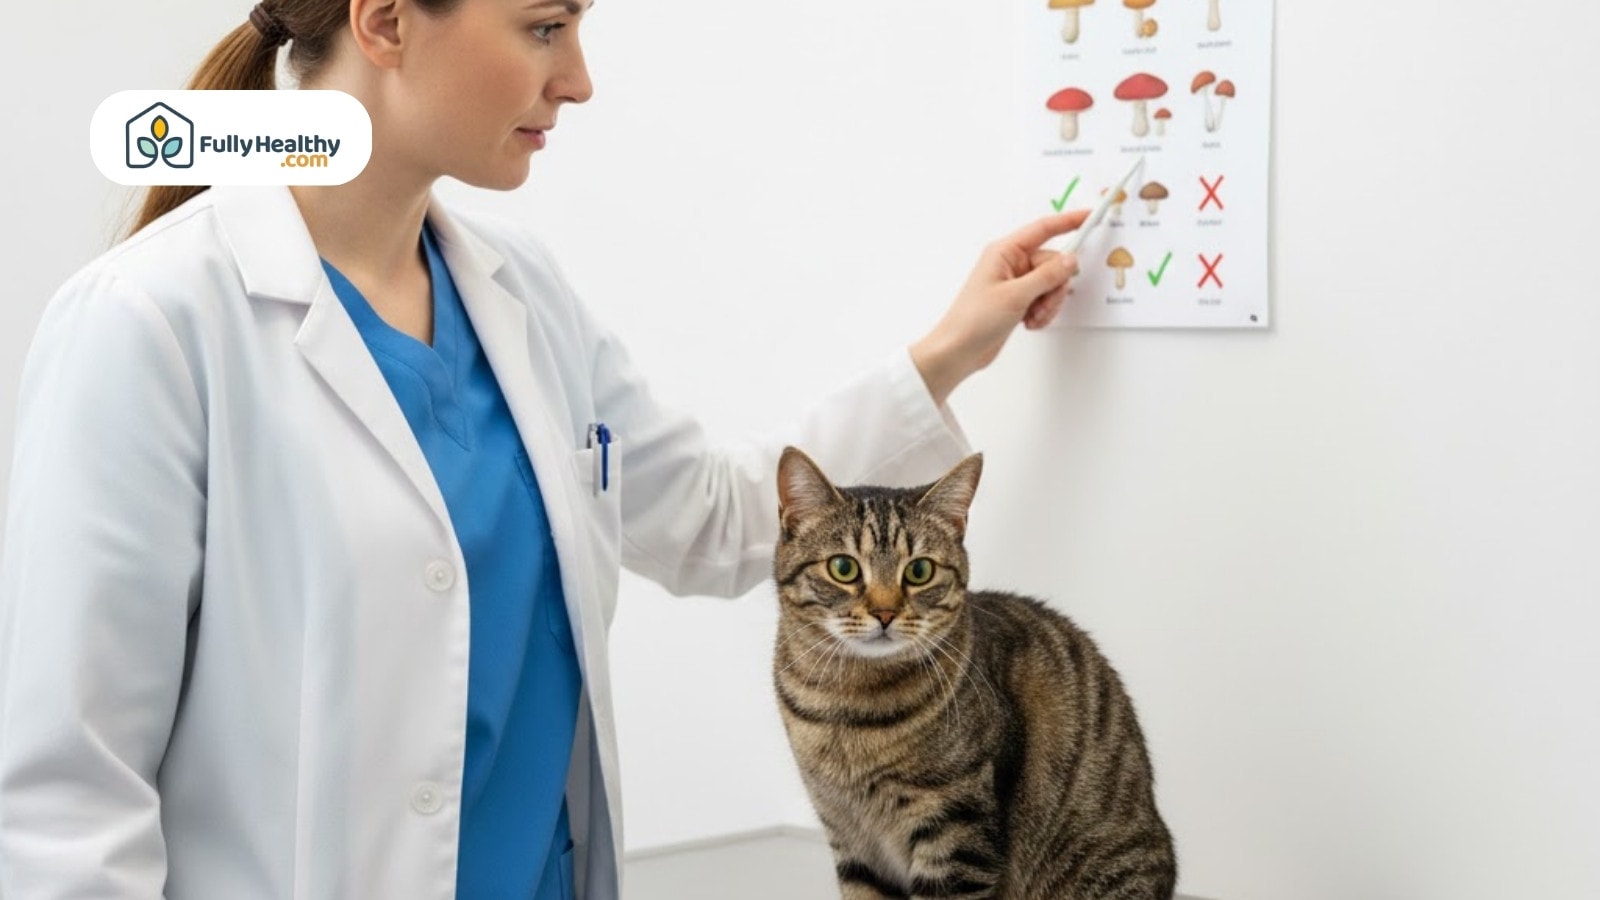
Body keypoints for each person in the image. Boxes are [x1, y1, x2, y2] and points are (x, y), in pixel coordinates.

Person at [0, 0, 1088, 897]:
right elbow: (69, 801)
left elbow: (716, 518)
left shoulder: (521, 297)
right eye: (544, 27)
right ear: (384, 23)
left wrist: (950, 350)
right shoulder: (149, 323)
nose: (578, 78)